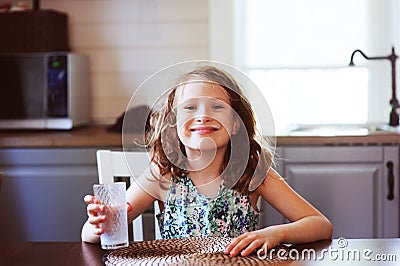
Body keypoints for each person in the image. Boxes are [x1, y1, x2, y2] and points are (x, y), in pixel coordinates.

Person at [81, 65, 332, 257]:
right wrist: (101, 222)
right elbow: (89, 236)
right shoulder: (162, 174)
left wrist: (275, 233)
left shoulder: (253, 172)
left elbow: (320, 225)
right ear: (173, 123)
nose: (203, 116)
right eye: (190, 108)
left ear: (236, 124)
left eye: (217, 107)